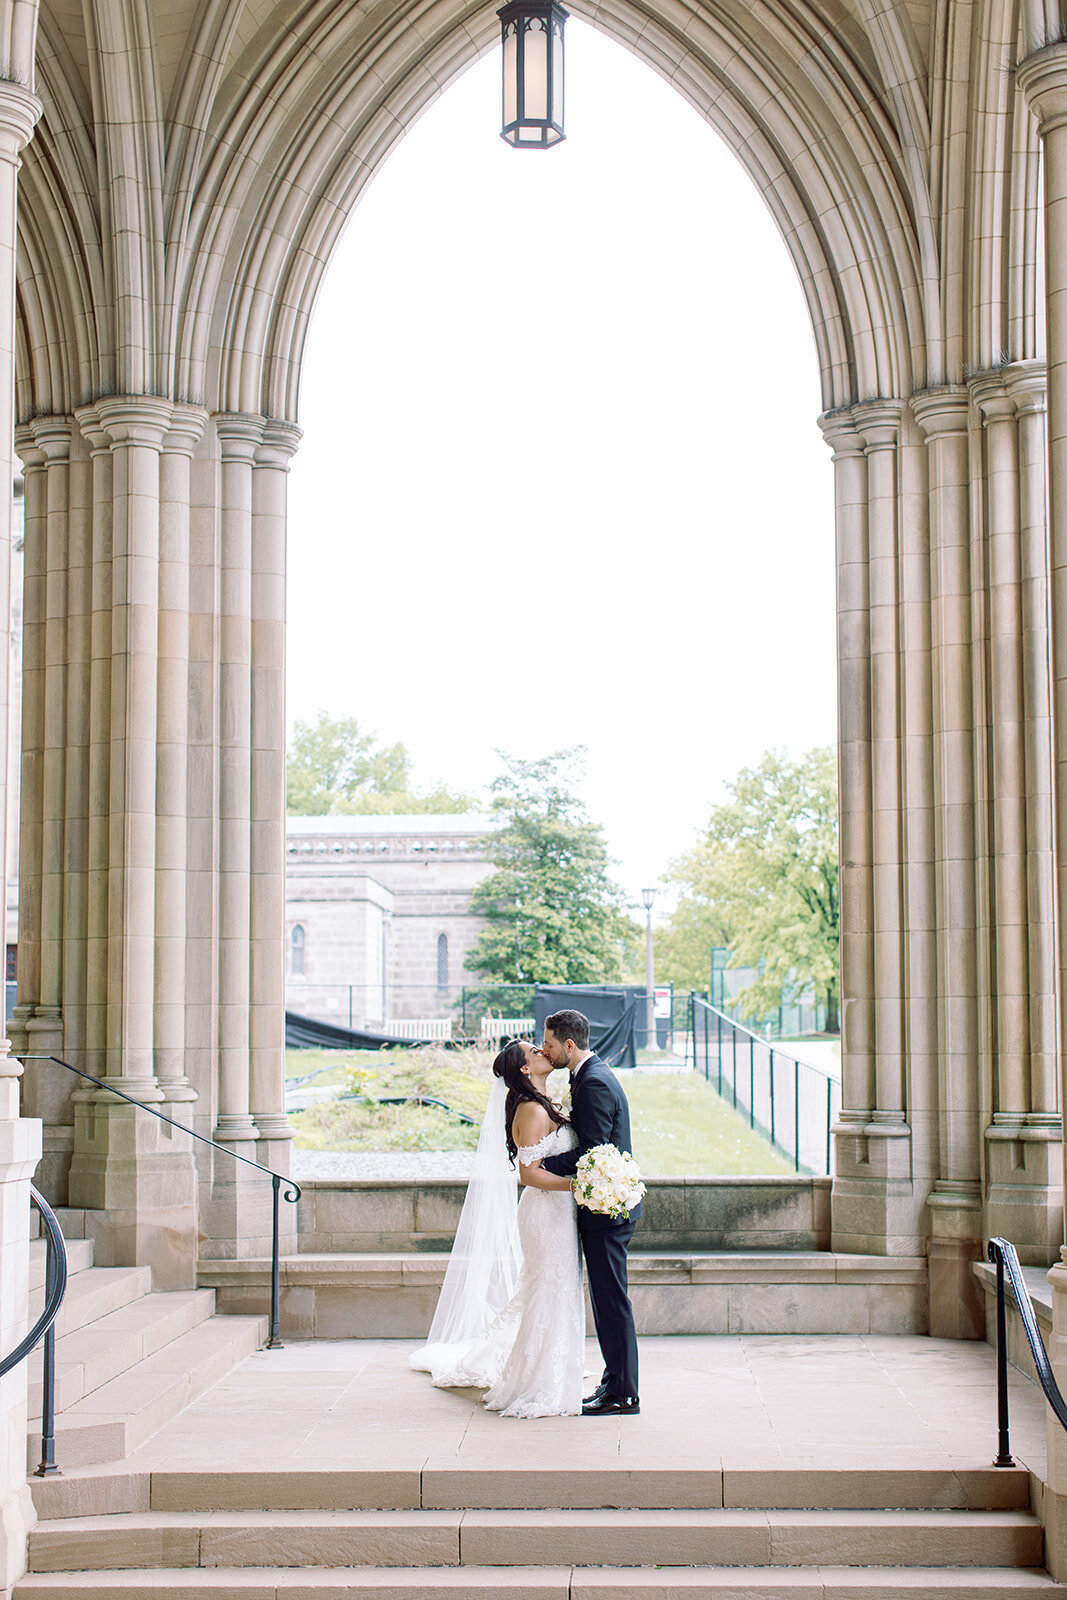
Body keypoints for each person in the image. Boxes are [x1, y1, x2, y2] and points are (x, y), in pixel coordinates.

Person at [409, 1038, 584, 1418]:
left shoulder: (545, 1104)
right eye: (534, 1052)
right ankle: (535, 1379)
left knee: (557, 1289)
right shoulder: (531, 1112)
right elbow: (529, 1175)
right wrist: (580, 1186)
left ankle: (551, 1367)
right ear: (524, 1069)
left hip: (558, 1212)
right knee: (547, 1289)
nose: (543, 1051)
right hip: (544, 1213)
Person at [539, 1007, 641, 1416]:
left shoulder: (594, 1083)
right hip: (602, 1209)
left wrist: (542, 1165)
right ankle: (612, 1382)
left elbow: (593, 1155)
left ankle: (624, 1394)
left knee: (612, 1303)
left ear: (568, 1044)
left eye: (548, 1044)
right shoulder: (587, 1075)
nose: (545, 1051)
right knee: (605, 1302)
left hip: (607, 1214)